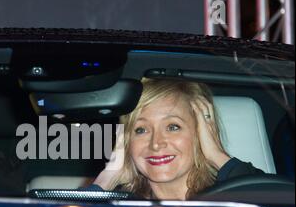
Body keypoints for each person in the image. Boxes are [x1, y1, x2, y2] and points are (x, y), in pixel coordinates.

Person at [91, 78, 264, 200]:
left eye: (173, 127)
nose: (156, 143)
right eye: (141, 129)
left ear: (200, 134)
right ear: (127, 141)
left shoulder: (232, 203)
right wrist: (107, 179)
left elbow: (279, 206)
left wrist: (217, 155)